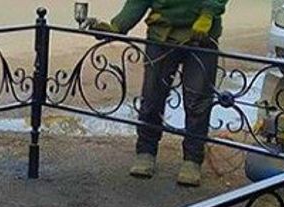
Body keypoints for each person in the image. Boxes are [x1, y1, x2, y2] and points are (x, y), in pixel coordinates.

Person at [88, 0, 229, 187]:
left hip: (202, 36)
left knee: (197, 100)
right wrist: (118, 26)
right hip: (161, 35)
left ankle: (192, 160)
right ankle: (146, 152)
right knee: (152, 96)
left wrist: (208, 14)